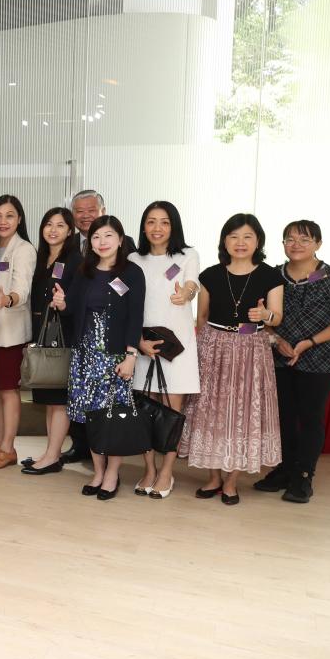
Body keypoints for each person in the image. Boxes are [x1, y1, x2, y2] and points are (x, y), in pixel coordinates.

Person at [179, 213, 285, 505]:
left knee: (243, 412)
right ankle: (213, 477)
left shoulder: (270, 276)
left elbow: (277, 317)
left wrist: (265, 315)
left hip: (252, 348)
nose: (240, 243)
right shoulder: (210, 275)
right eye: (234, 236)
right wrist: (200, 351)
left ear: (258, 241)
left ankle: (232, 481)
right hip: (213, 346)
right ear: (224, 241)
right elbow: (202, 317)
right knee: (210, 412)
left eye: (247, 237)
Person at [256, 220, 330, 503]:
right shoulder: (272, 276)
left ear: (318, 244)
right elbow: (255, 319)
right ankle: (285, 469)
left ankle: (304, 476)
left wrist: (310, 342)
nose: (296, 245)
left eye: (304, 239)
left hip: (321, 359)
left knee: (310, 417)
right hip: (279, 358)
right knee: (284, 417)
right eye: (290, 239)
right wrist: (276, 340)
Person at [50, 216, 145, 500]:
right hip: (84, 355)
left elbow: (135, 316)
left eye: (108, 236)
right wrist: (62, 304)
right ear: (89, 242)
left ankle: (112, 474)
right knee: (90, 416)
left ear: (120, 239)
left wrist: (131, 356)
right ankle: (98, 472)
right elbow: (72, 309)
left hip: (114, 356)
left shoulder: (131, 272)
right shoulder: (85, 271)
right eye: (96, 237)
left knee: (111, 417)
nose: (102, 242)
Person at [130, 201, 200, 499]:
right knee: (144, 411)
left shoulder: (187, 255)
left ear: (174, 226)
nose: (157, 228)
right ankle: (149, 469)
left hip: (176, 346)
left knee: (172, 412)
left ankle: (167, 471)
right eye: (151, 221)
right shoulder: (133, 258)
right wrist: (136, 342)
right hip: (143, 344)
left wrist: (186, 294)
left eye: (164, 222)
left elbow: (191, 285)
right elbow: (125, 301)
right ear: (143, 226)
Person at [60, 189, 134, 464]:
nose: (85, 216)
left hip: (113, 344)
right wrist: (62, 303)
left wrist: (131, 351)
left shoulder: (128, 255)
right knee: (83, 400)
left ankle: (108, 464)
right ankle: (82, 448)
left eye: (91, 210)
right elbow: (72, 297)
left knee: (109, 405)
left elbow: (132, 307)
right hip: (81, 338)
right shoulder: (71, 248)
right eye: (79, 211)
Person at [0, 195, 37, 470]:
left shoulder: (24, 249)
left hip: (11, 332)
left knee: (8, 390)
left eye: (9, 216)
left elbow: (22, 289)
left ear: (19, 219)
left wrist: (8, 299)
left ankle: (8, 448)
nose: (3, 221)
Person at [21, 207, 76, 475]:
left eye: (60, 225)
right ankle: (49, 452)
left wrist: (64, 303)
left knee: (59, 399)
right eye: (48, 224)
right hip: (41, 332)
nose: (53, 230)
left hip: (60, 334)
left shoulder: (74, 259)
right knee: (49, 399)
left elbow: (76, 299)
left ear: (70, 230)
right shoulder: (41, 256)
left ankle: (53, 456)